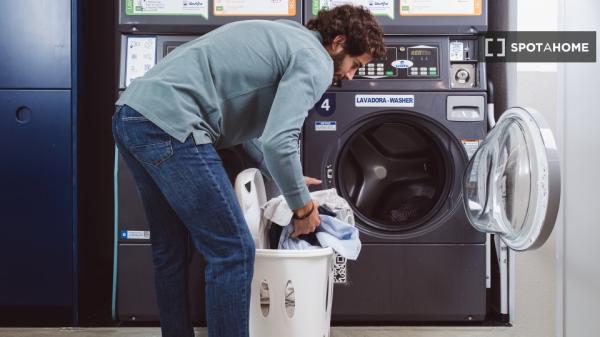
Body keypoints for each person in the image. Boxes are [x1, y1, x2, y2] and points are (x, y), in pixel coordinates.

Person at [112, 4, 385, 337]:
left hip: (133, 114)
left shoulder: (287, 35)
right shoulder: (316, 60)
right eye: (355, 65)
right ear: (338, 42)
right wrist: (303, 207)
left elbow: (251, 137)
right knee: (233, 251)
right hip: (173, 124)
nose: (351, 76)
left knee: (171, 249)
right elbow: (278, 141)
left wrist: (291, 180)